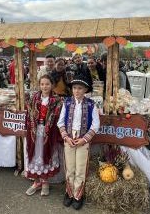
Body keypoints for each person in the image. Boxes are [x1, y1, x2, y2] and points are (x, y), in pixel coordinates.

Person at [57, 74, 100, 210]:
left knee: (81, 168)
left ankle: (78, 195)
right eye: (74, 88)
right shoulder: (67, 102)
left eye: (80, 88)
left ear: (86, 89)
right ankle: (69, 193)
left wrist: (84, 139)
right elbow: (60, 122)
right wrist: (66, 137)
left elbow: (95, 124)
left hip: (83, 139)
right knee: (70, 167)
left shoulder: (91, 104)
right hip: (69, 139)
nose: (76, 91)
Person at [25, 74, 63, 196]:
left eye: (47, 84)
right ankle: (36, 182)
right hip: (34, 132)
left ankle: (45, 182)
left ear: (52, 85)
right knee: (35, 155)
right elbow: (29, 115)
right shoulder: (34, 98)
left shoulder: (57, 101)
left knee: (45, 155)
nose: (44, 86)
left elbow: (58, 118)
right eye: (42, 84)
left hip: (48, 133)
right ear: (39, 85)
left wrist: (49, 127)